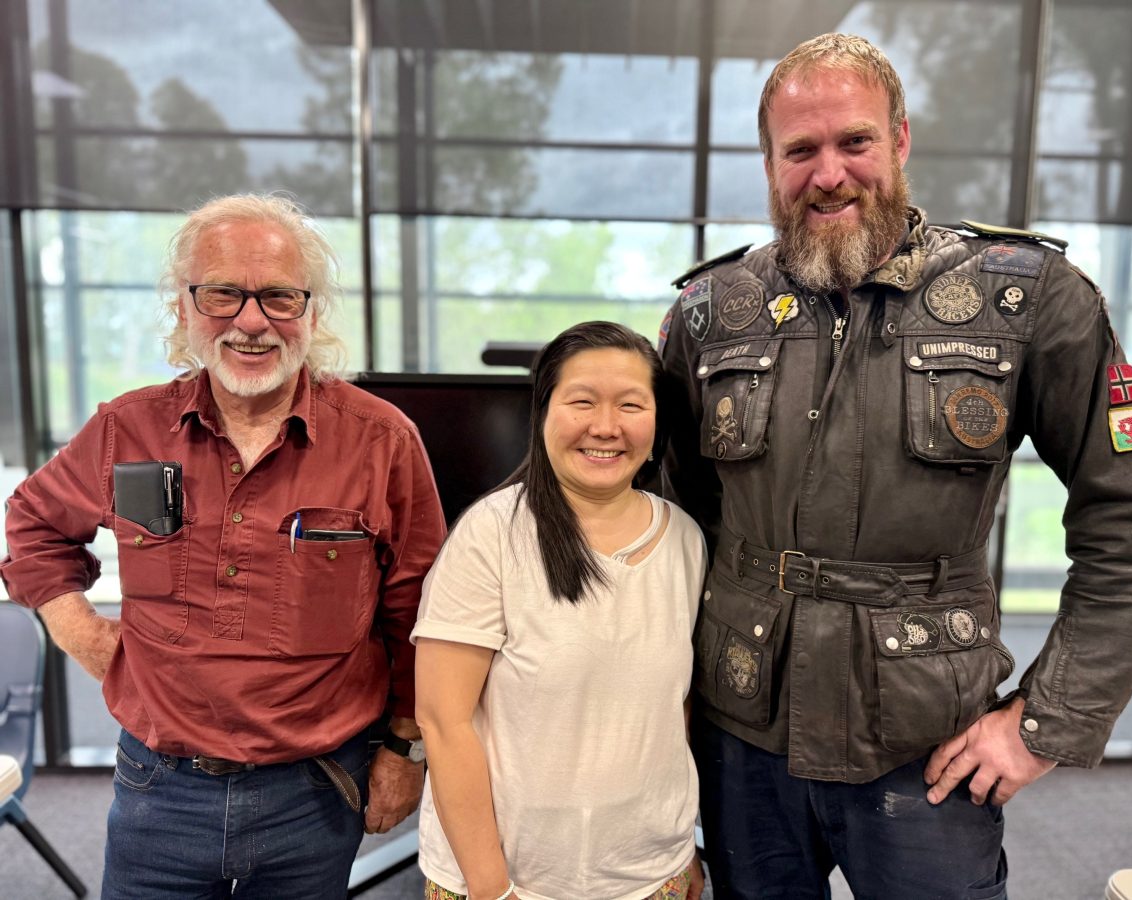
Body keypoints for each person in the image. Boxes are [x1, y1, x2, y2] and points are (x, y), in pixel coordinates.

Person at [658, 32, 1132, 900]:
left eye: (854, 142)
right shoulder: (711, 314)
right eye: (801, 150)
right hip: (743, 736)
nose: (828, 172)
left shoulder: (1023, 299)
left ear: (900, 140)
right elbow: (668, 528)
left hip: (927, 745)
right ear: (768, 162)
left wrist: (1040, 725)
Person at [0, 194, 446, 898]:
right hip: (158, 791)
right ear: (184, 308)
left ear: (311, 312)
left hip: (317, 791)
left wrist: (404, 747)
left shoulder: (382, 441)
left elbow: (421, 612)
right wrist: (79, 631)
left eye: (277, 296)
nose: (250, 321)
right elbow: (30, 523)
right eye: (222, 294)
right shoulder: (128, 429)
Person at [412, 321, 707, 900]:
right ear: (544, 411)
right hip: (512, 882)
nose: (605, 427)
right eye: (582, 402)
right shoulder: (492, 534)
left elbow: (676, 710)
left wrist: (681, 853)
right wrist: (491, 887)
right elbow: (442, 723)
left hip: (652, 876)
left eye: (630, 404)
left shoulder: (685, 539)